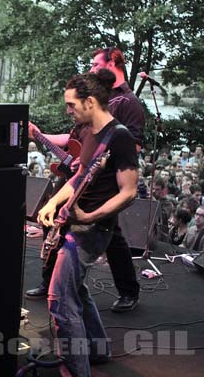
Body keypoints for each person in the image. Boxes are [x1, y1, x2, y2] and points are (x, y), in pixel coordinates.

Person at [27, 47, 144, 313]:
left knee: (109, 236)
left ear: (112, 64)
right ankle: (51, 280)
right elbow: (74, 143)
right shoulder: (88, 114)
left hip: (103, 186)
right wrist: (39, 135)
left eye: (94, 64)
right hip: (80, 179)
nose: (90, 69)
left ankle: (128, 290)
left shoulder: (126, 104)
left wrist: (103, 157)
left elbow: (131, 147)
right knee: (56, 222)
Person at [38, 69, 138, 376]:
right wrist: (54, 203)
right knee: (75, 289)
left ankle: (75, 372)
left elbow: (129, 192)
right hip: (74, 221)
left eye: (71, 104)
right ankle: (97, 349)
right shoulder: (85, 131)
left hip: (94, 229)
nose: (68, 110)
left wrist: (90, 216)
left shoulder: (119, 137)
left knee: (59, 299)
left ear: (90, 101)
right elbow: (80, 175)